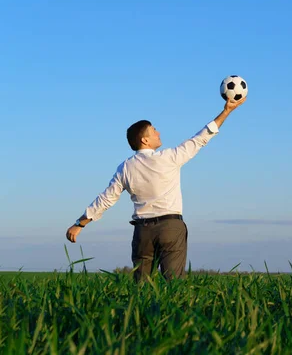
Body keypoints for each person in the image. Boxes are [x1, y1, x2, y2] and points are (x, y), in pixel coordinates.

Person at [66, 97, 246, 282]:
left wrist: (80, 224)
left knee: (142, 287)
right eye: (153, 131)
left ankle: (139, 312)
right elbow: (201, 138)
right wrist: (227, 111)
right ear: (145, 140)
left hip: (143, 231)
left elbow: (106, 199)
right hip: (170, 227)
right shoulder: (170, 157)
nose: (158, 132)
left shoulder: (125, 167)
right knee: (174, 283)